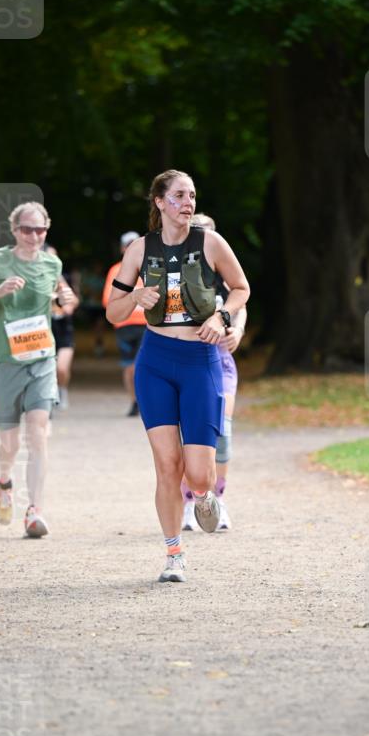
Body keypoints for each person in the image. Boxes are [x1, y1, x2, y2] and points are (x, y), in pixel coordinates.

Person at [106, 170, 250, 583]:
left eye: (191, 196)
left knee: (199, 473)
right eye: (179, 196)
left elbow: (241, 288)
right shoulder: (139, 250)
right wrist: (133, 297)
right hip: (155, 361)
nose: (187, 203)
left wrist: (222, 317)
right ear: (159, 202)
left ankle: (205, 496)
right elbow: (114, 313)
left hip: (200, 361)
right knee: (167, 465)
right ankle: (173, 555)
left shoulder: (211, 243)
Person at [0, 202, 77, 538]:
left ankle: (35, 511)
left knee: (38, 433)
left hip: (41, 360)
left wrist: (63, 299)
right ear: (14, 231)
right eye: (27, 229)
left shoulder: (51, 263)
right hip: (4, 363)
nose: (34, 236)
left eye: (40, 230)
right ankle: (4, 478)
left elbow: (66, 298)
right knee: (9, 444)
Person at [181, 213, 247, 531]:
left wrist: (238, 331)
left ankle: (218, 498)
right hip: (186, 362)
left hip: (220, 361)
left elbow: (241, 303)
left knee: (221, 431)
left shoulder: (222, 274)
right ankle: (190, 501)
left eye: (209, 233)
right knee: (189, 434)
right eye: (198, 233)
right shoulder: (175, 274)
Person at [101, 231, 145, 416]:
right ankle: (134, 401)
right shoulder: (115, 270)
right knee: (129, 367)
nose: (130, 247)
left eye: (134, 244)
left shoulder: (149, 266)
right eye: (127, 244)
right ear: (122, 248)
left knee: (144, 365)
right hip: (124, 325)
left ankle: (146, 401)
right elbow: (107, 301)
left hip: (147, 324)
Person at [47, 243, 80, 410]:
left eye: (55, 256)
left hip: (64, 331)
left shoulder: (62, 279)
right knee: (48, 369)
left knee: (61, 368)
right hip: (45, 332)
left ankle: (62, 390)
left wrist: (69, 306)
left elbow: (74, 300)